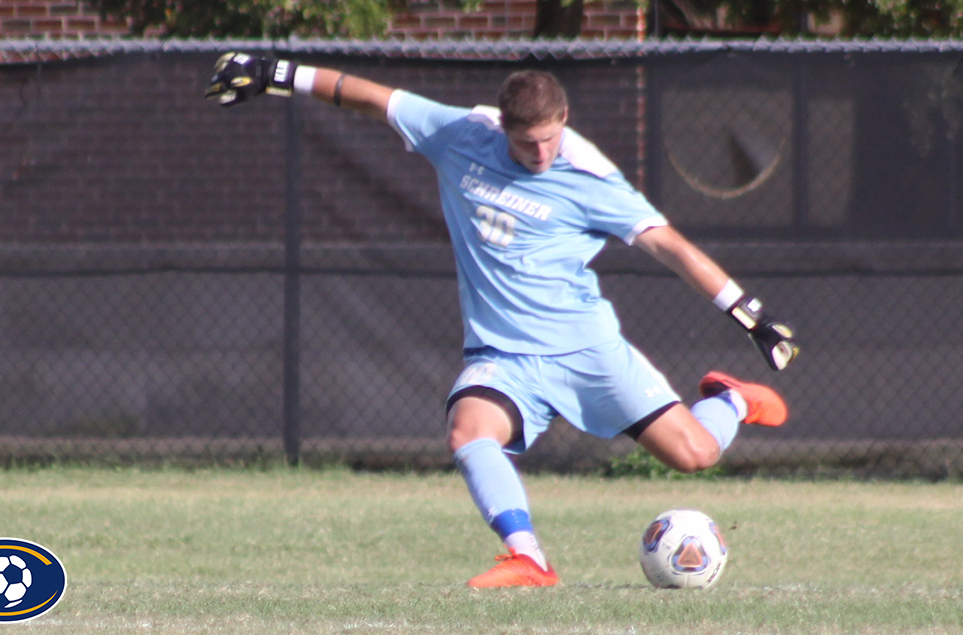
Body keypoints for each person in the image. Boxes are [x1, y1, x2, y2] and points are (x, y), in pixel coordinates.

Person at [205, 53, 798, 588]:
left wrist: (753, 317)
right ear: (502, 127)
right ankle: (528, 558)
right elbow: (367, 95)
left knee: (695, 456)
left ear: (564, 118)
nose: (540, 153)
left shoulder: (590, 180)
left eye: (549, 139)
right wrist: (278, 74)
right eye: (527, 144)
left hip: (587, 352)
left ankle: (733, 401)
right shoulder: (460, 134)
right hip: (502, 356)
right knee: (469, 431)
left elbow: (671, 248)